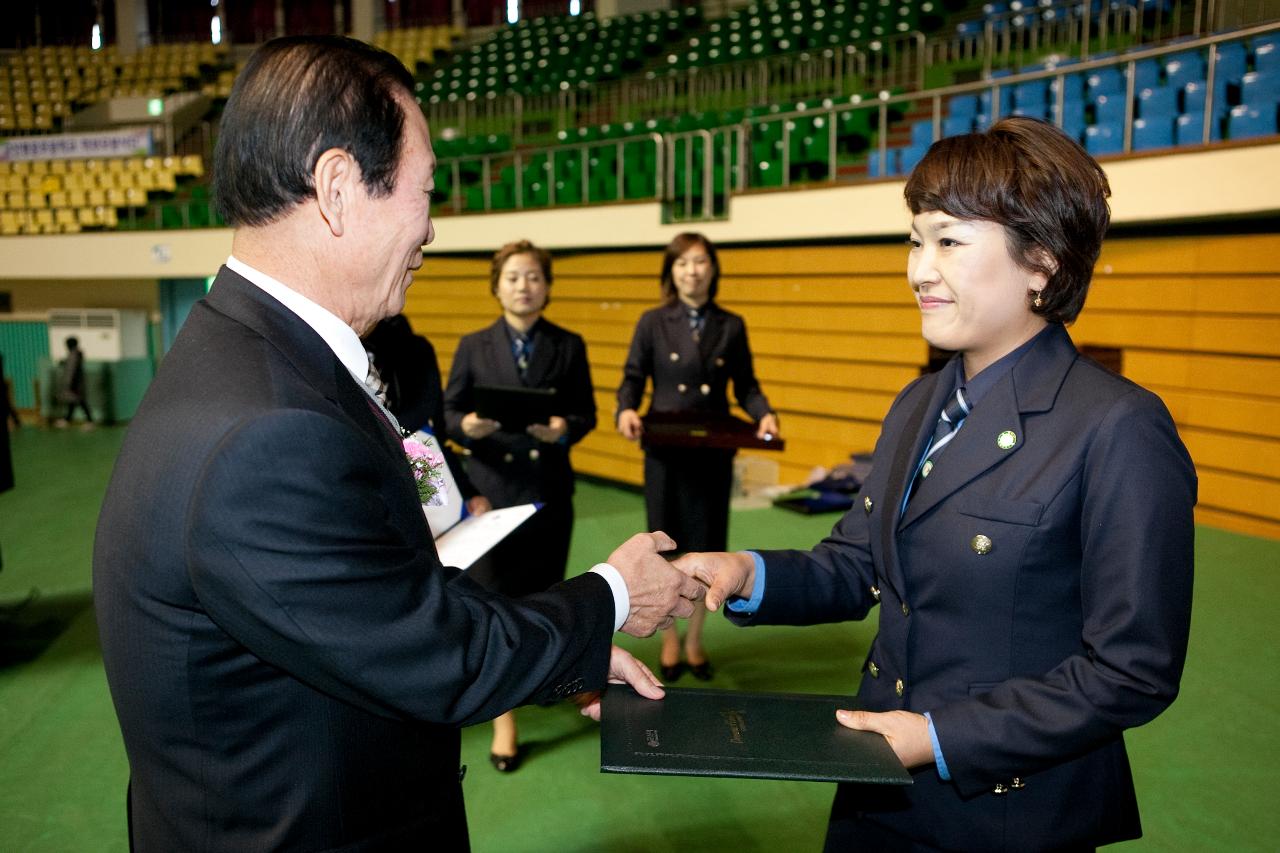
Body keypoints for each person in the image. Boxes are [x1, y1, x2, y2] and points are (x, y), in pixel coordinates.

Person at [92, 36, 704, 853]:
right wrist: (613, 596)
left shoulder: (247, 356)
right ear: (339, 188)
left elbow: (375, 604)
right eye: (424, 192)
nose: (432, 229)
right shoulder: (271, 431)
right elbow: (434, 654)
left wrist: (569, 655)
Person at [676, 117, 1196, 851]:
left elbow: (1131, 669)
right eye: (915, 239)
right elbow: (858, 564)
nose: (919, 269)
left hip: (1009, 814)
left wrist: (937, 736)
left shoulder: (1118, 428)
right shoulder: (918, 403)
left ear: (1041, 262)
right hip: (874, 791)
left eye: (948, 240)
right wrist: (744, 571)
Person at [444, 239, 597, 772]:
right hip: (492, 494)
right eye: (512, 277)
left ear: (547, 286)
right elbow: (449, 412)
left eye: (533, 277)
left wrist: (562, 429)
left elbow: (586, 414)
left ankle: (555, 677)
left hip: (548, 490)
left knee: (549, 593)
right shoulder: (473, 344)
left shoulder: (569, 345)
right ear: (496, 285)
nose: (523, 286)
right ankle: (503, 716)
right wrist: (466, 426)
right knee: (493, 601)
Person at [616, 232, 779, 682]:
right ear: (671, 271)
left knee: (706, 543)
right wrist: (626, 408)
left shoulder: (731, 324)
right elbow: (633, 376)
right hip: (666, 450)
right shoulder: (652, 322)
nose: (692, 270)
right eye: (683, 262)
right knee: (666, 544)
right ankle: (669, 640)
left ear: (713, 269)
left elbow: (746, 385)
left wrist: (764, 414)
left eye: (701, 261)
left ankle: (694, 642)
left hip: (712, 451)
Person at [364, 313, 491, 517]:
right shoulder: (326, 344)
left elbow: (427, 435)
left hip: (414, 483)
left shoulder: (414, 350)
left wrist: (466, 492)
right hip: (358, 489)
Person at [54, 336, 92, 428]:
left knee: (81, 401)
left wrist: (72, 383)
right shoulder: (73, 354)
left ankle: (90, 421)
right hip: (74, 383)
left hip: (76, 383)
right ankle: (67, 419)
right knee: (73, 401)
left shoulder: (76, 354)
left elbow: (74, 369)